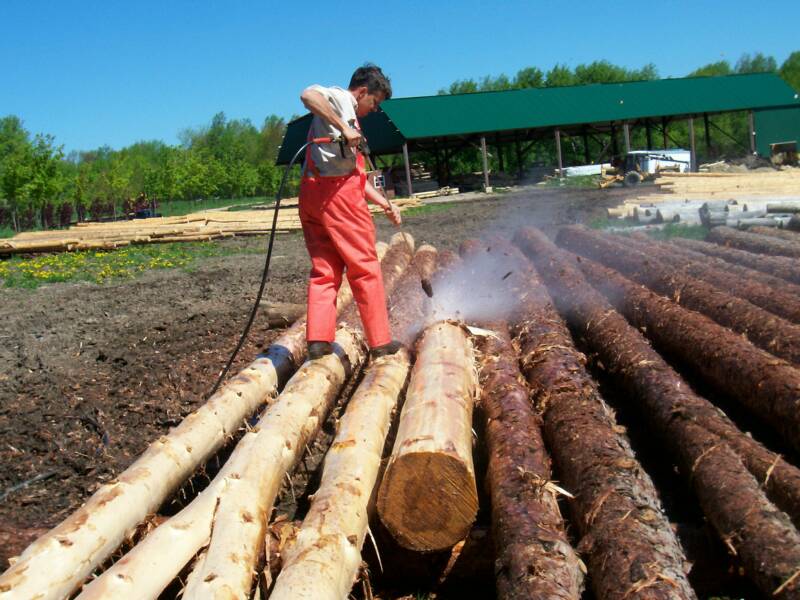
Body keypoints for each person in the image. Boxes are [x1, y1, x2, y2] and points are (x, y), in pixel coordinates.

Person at [298, 64, 403, 360]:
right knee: (365, 267)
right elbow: (308, 95)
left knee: (325, 269)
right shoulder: (341, 99)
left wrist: (386, 204)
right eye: (375, 102)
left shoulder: (350, 120)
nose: (375, 109)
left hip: (312, 193)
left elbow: (357, 177)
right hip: (337, 198)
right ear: (363, 91)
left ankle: (319, 340)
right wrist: (344, 126)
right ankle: (380, 341)